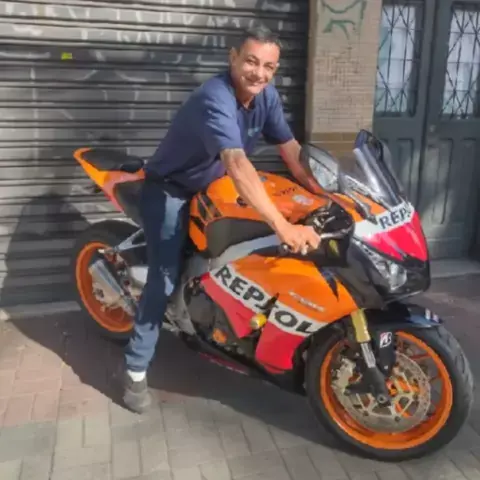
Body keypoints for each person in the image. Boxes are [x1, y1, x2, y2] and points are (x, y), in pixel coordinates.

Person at [122, 25, 322, 413]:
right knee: (164, 277)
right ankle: (134, 368)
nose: (259, 73)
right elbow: (237, 163)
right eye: (251, 62)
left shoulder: (266, 97)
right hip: (173, 189)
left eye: (268, 66)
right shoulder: (215, 98)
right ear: (233, 58)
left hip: (215, 187)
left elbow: (291, 151)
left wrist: (324, 192)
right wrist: (283, 226)